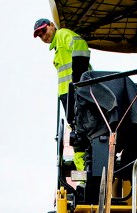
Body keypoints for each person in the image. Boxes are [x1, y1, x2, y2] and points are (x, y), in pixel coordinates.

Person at [34, 17, 90, 171]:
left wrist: (79, 79)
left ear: (52, 25)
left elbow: (80, 44)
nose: (43, 36)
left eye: (44, 30)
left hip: (79, 93)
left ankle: (85, 173)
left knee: (83, 132)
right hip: (70, 95)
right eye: (40, 35)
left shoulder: (63, 35)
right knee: (77, 135)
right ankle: (83, 174)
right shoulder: (58, 46)